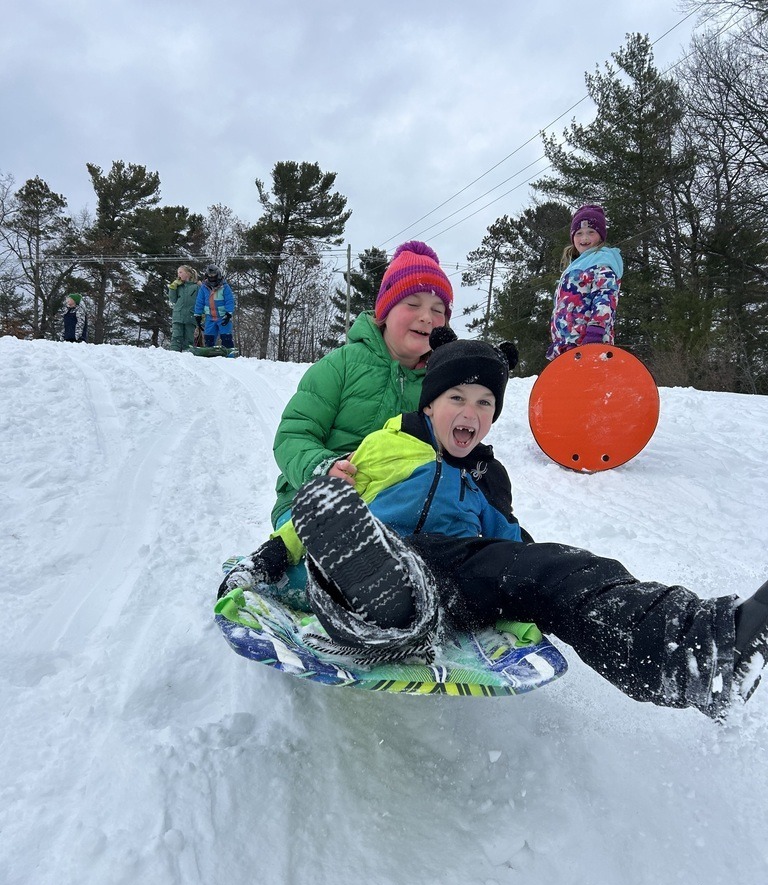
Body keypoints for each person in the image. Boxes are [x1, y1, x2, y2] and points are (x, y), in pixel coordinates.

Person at [223, 334, 768, 721]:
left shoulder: (487, 476)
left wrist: (540, 573)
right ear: (430, 403)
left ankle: (697, 653)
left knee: (560, 568)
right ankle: (370, 597)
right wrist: (270, 556)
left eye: (485, 403)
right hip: (366, 550)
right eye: (457, 398)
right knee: (336, 507)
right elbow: (319, 516)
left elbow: (508, 543)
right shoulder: (382, 445)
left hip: (453, 572)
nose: (471, 411)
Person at [270, 240, 455, 532]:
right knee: (322, 550)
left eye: (438, 309)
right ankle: (270, 568)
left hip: (393, 511)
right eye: (413, 304)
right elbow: (293, 434)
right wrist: (323, 469)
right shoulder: (340, 365)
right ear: (386, 310)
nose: (427, 317)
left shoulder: (441, 385)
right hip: (315, 499)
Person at [547, 203, 623, 361]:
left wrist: (596, 331)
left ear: (600, 235)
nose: (585, 238)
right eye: (579, 233)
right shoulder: (574, 266)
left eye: (591, 232)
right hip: (567, 345)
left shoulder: (603, 263)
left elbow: (605, 297)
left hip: (590, 342)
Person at [194, 265, 235, 350]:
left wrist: (229, 313)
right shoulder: (203, 288)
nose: (211, 277)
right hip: (210, 317)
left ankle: (229, 356)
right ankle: (209, 356)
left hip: (223, 317)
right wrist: (198, 314)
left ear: (218, 274)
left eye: (213, 275)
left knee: (226, 337)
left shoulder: (225, 287)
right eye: (210, 275)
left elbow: (229, 300)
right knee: (209, 338)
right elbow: (199, 302)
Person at [168, 265, 200, 352]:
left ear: (188, 274)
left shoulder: (196, 287)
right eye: (178, 273)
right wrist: (172, 287)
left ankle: (187, 357)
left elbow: (203, 300)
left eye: (181, 272)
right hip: (178, 316)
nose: (179, 274)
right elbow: (172, 299)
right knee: (176, 337)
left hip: (191, 316)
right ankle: (173, 354)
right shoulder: (178, 286)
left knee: (189, 339)